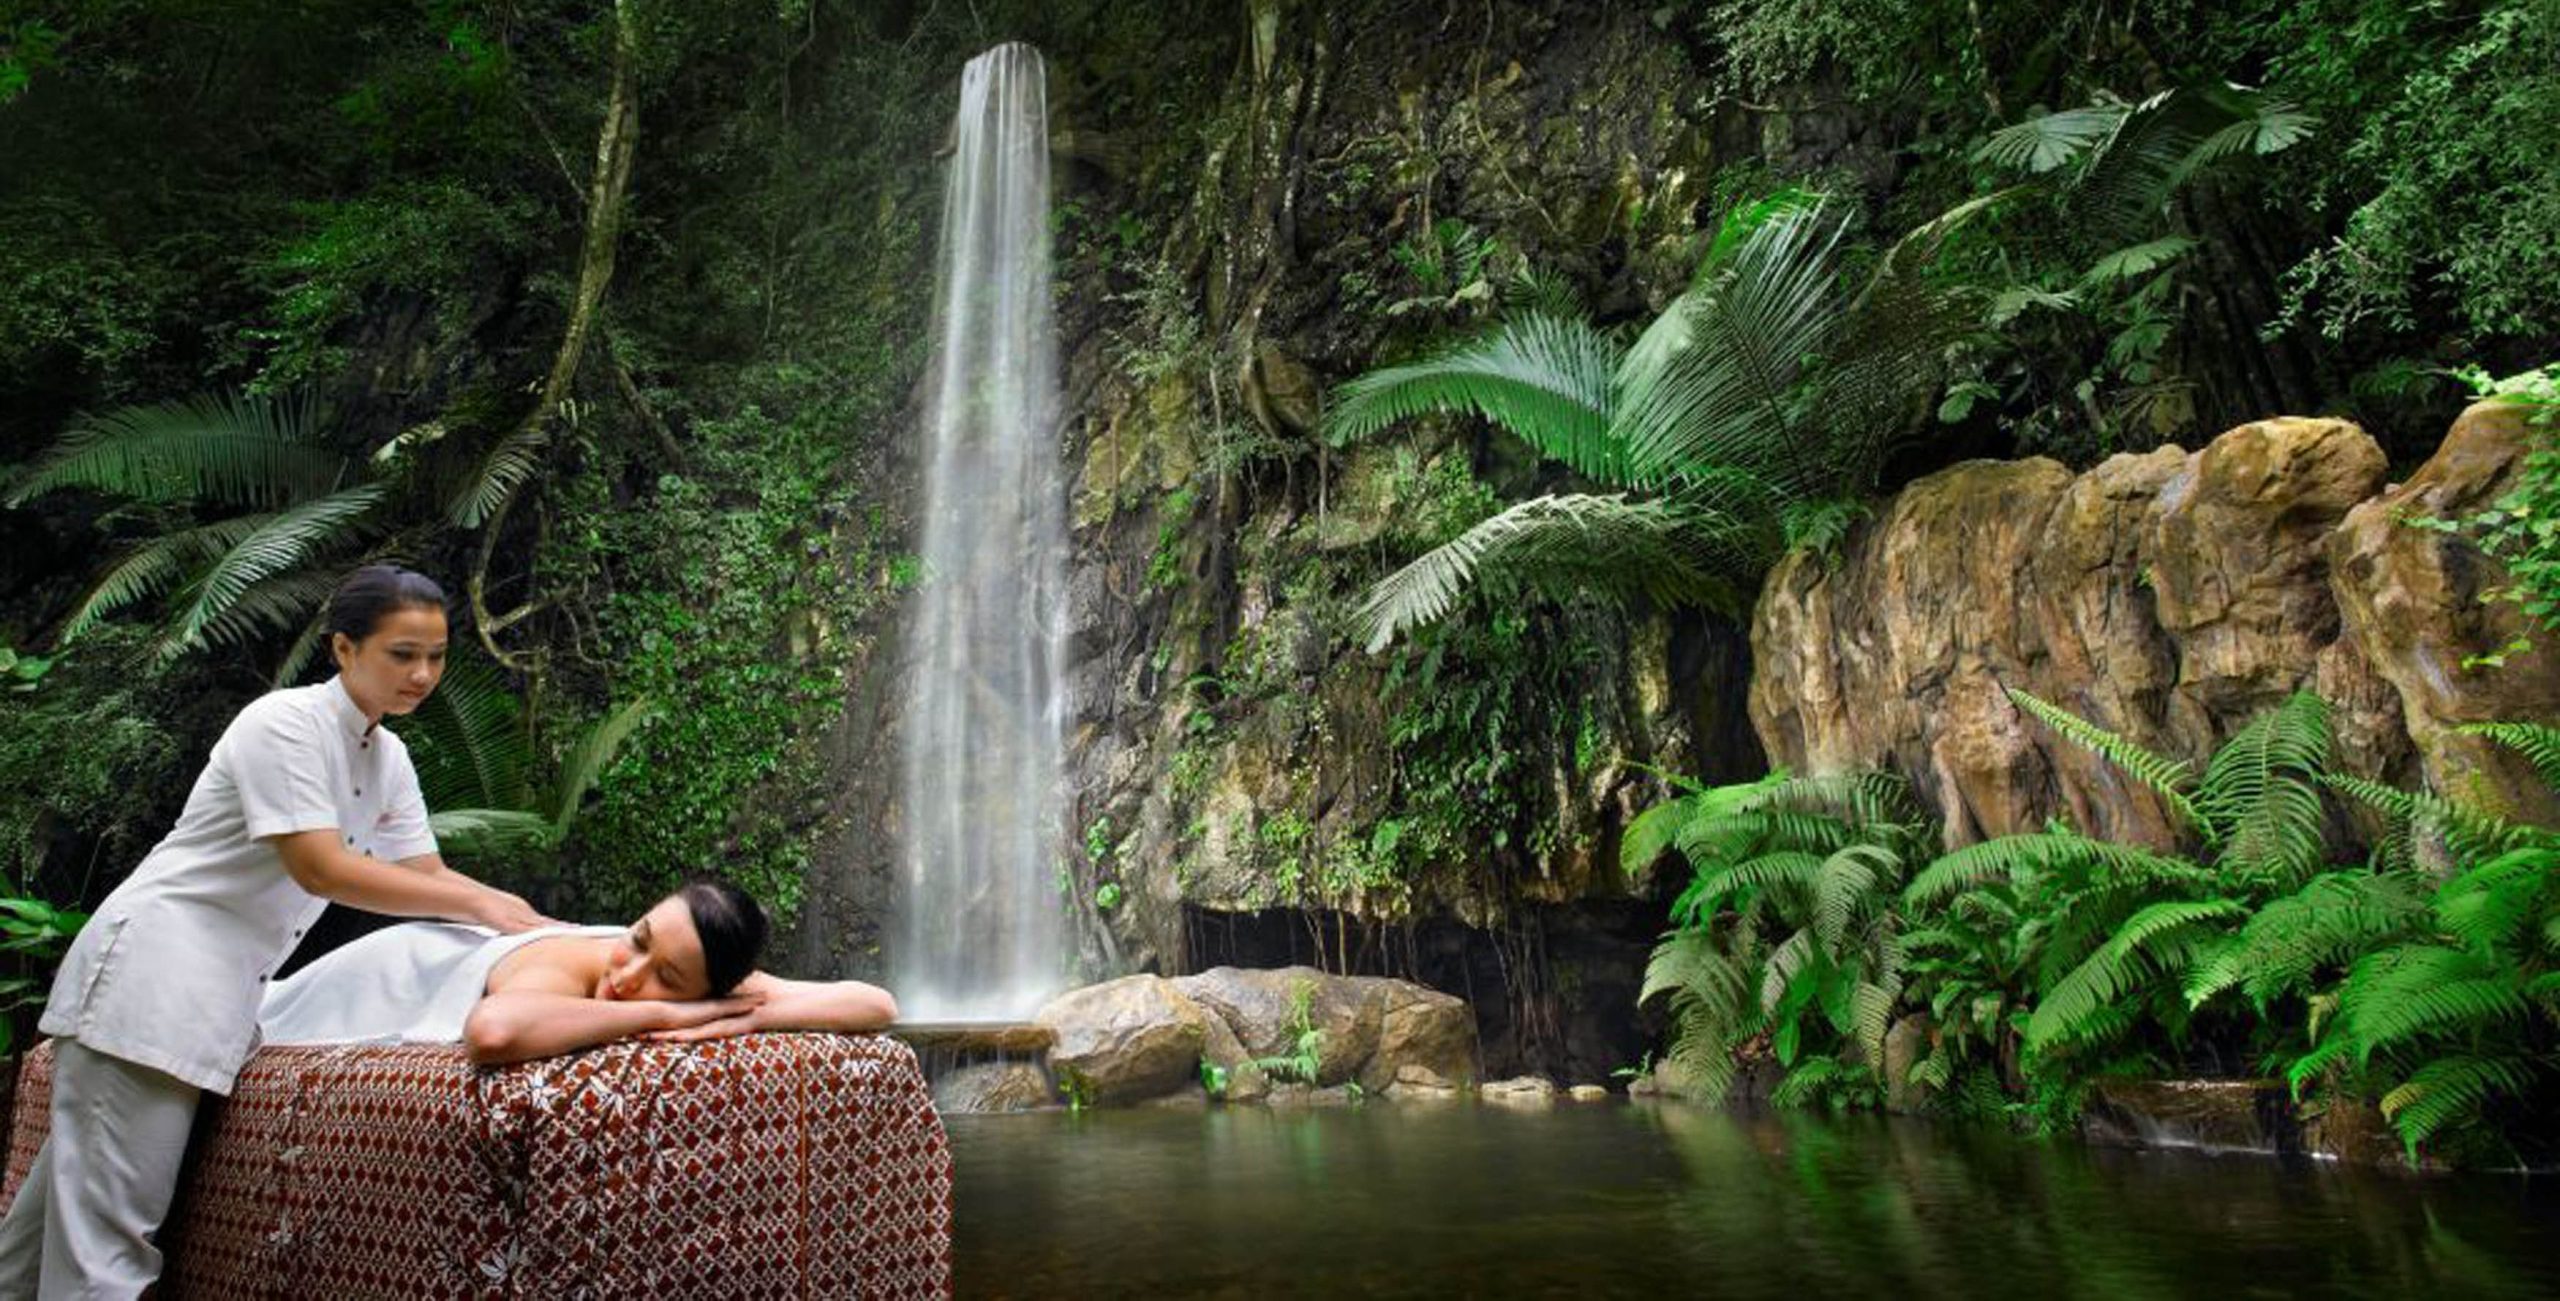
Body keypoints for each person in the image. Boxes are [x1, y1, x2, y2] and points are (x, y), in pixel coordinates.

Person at [0, 565, 552, 1301]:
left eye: (437, 655)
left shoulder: (386, 756)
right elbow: (321, 867)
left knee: (32, 1248)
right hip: (149, 986)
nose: (423, 673)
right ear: (344, 648)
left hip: (205, 1003)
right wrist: (487, 909)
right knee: (105, 1251)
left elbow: (426, 874)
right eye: (401, 653)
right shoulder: (283, 723)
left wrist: (529, 921)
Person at [257, 879, 900, 1063]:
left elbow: (874, 1004)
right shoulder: (566, 967)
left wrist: (745, 1018)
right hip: (305, 1003)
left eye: (667, 977)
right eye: (639, 938)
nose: (628, 972)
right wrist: (669, 1009)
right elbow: (495, 1032)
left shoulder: (716, 976)